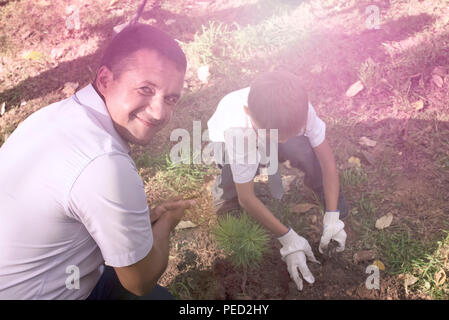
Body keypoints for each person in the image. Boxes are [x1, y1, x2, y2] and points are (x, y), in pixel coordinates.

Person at [0, 24, 194, 300]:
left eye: (171, 98)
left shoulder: (54, 116)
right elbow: (139, 282)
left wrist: (136, 221)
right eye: (145, 89)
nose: (159, 112)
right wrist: (166, 225)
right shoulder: (103, 161)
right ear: (104, 79)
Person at [207, 70, 348, 291]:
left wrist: (332, 215)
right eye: (277, 136)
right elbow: (247, 197)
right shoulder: (237, 129)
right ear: (247, 112)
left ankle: (321, 190)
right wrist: (288, 238)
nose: (282, 141)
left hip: (262, 129)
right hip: (229, 143)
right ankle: (225, 197)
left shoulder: (300, 110)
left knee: (301, 148)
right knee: (233, 177)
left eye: (289, 133)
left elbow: (327, 162)